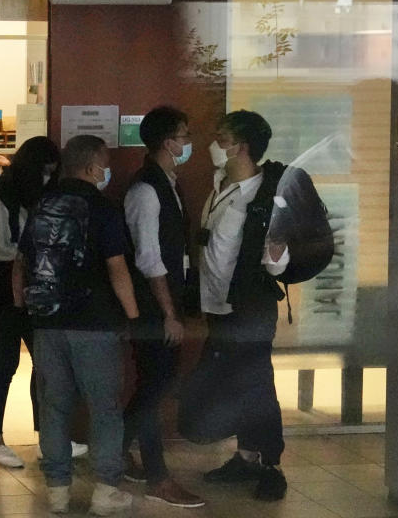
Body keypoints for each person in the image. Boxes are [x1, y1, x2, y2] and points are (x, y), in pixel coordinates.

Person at [13, 134, 140, 515]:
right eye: (104, 164)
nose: (106, 171)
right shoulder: (102, 207)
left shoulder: (42, 204)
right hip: (94, 324)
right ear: (90, 167)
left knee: (54, 407)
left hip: (46, 321)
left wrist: (24, 309)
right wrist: (133, 316)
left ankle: (57, 491)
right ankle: (104, 492)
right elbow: (117, 268)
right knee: (104, 408)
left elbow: (19, 264)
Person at [177, 110, 290, 502]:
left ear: (240, 146)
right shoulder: (220, 185)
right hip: (219, 304)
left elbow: (278, 260)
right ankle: (246, 457)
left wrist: (276, 252)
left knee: (256, 384)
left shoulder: (264, 197)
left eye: (222, 138)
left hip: (251, 307)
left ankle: (271, 466)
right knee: (237, 383)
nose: (214, 144)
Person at [122, 106, 205, 508]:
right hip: (153, 309)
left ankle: (117, 450)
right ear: (167, 142)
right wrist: (169, 313)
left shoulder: (169, 184)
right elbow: (148, 258)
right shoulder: (145, 191)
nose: (188, 143)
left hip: (168, 300)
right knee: (155, 389)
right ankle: (157, 477)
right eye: (184, 135)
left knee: (154, 385)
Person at [0, 136, 60, 468]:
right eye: (43, 171)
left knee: (44, 365)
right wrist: (37, 253)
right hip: (4, 293)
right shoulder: (1, 199)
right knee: (5, 363)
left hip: (35, 291)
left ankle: (46, 436)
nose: (47, 177)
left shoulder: (39, 197)